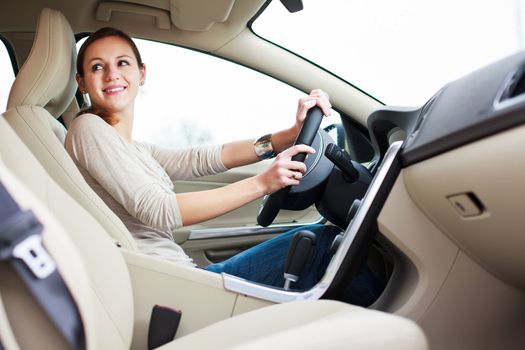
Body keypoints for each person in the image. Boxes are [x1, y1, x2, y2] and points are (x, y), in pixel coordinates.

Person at [66, 27, 379, 299]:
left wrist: (288, 136)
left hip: (175, 280)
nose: (112, 75)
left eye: (122, 63)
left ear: (141, 73)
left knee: (317, 246)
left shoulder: (127, 146)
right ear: (81, 82)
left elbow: (198, 159)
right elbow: (159, 210)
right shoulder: (88, 129)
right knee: (321, 247)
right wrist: (262, 183)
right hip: (175, 291)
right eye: (97, 67)